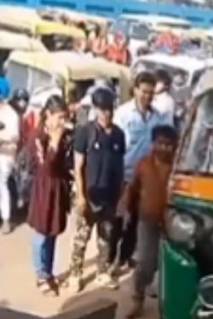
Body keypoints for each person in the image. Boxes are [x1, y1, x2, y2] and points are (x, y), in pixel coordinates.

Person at [67, 87, 126, 292]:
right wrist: (81, 196)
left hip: (109, 197)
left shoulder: (119, 135)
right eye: (102, 109)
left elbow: (119, 166)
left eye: (109, 109)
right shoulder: (86, 132)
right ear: (96, 109)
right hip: (89, 194)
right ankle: (75, 274)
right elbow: (78, 166)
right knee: (81, 238)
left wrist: (120, 195)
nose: (106, 113)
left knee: (106, 237)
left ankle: (102, 272)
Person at [113, 71, 172, 273]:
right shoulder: (122, 114)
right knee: (117, 220)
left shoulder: (159, 117)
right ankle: (111, 260)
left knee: (137, 220)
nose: (147, 96)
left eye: (150, 93)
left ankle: (126, 256)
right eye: (144, 91)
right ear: (135, 90)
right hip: (125, 175)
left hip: (147, 177)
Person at [120, 125, 176, 319]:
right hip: (147, 220)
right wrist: (127, 212)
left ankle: (169, 311)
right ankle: (138, 299)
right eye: (161, 143)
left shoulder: (179, 168)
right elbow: (133, 190)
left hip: (173, 224)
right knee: (144, 262)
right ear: (154, 143)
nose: (164, 148)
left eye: (169, 145)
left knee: (171, 268)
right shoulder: (143, 165)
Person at [27, 96, 74, 296]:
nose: (62, 122)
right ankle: (40, 274)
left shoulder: (65, 136)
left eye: (65, 117)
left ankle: (49, 272)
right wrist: (54, 142)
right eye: (59, 117)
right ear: (48, 115)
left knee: (53, 232)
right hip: (43, 188)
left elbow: (66, 164)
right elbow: (45, 168)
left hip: (58, 189)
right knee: (41, 233)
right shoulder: (37, 136)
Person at [0, 79, 20, 234]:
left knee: (1, 183)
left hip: (5, 156)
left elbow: (14, 139)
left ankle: (6, 219)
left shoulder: (11, 115)